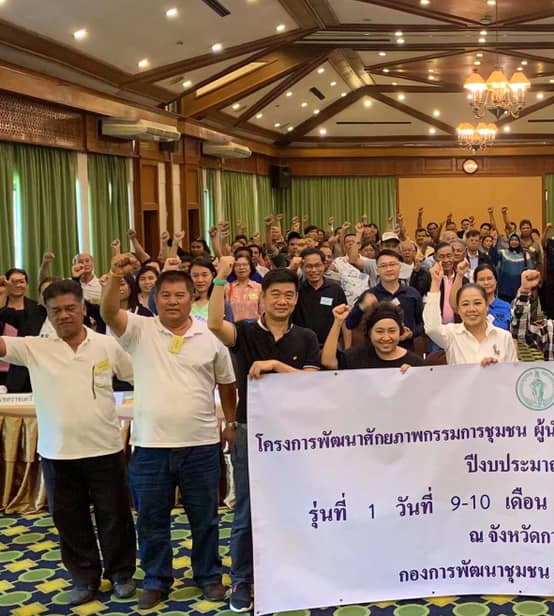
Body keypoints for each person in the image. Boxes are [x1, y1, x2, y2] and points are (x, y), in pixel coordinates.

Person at [101, 255, 237, 609]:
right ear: (154, 299)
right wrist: (115, 275)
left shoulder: (210, 335)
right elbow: (108, 312)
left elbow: (227, 383)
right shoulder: (139, 329)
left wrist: (230, 422)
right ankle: (156, 580)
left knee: (205, 520)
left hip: (201, 445)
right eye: (165, 295)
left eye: (180, 295)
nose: (172, 301)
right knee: (151, 521)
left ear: (193, 297)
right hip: (150, 446)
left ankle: (208, 576)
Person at [0, 279, 137, 605]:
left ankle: (121, 574)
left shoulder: (106, 344)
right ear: (47, 313)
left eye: (70, 308)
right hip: (57, 452)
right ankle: (84, 578)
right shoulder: (34, 347)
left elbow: (138, 375)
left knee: (115, 516)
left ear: (83, 308)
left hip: (105, 448)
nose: (64, 315)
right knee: (70, 520)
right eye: (56, 310)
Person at [208, 259, 321, 613]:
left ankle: (293, 571)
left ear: (296, 299)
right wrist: (219, 278)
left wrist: (275, 366)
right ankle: (242, 579)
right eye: (275, 294)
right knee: (247, 509)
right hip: (250, 431)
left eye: (289, 295)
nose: (282, 301)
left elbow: (311, 381)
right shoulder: (245, 332)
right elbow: (214, 324)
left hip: (294, 435)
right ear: (263, 298)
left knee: (295, 503)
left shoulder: (306, 337)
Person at [424, 264, 517, 365]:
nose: (471, 309)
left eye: (477, 303)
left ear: (487, 306)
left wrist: (495, 369)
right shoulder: (452, 335)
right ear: (458, 310)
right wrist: (435, 283)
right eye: (465, 304)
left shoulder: (504, 337)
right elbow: (432, 328)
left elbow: (512, 371)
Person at [344, 250, 424, 351]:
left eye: (392, 264)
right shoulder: (369, 295)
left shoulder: (412, 294)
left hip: (405, 351)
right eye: (383, 266)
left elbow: (423, 324)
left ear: (400, 267)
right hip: (374, 352)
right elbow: (349, 324)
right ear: (377, 270)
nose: (389, 269)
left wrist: (411, 333)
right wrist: (361, 307)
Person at [323, 302, 425, 370]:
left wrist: (413, 377)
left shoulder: (415, 363)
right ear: (370, 333)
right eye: (380, 331)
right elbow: (328, 362)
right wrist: (338, 322)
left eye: (392, 331)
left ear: (400, 332)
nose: (386, 338)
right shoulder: (356, 357)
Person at [0, 268, 47, 392]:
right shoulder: (1, 305)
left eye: (21, 281)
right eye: (14, 281)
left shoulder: (36, 309)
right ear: (6, 283)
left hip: (26, 369)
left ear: (27, 284)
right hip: (2, 366)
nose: (18, 285)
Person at [292, 248, 348, 348]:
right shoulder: (297, 291)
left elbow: (344, 321)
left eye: (318, 265)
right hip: (302, 345)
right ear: (302, 267)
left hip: (331, 344)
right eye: (309, 266)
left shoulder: (335, 289)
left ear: (324, 265)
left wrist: (347, 349)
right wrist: (292, 268)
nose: (314, 270)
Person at [471, 263, 512, 331]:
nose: (486, 282)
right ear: (475, 283)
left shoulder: (507, 307)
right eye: (481, 279)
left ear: (496, 281)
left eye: (489, 278)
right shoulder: (471, 307)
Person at [226, 254, 262, 322]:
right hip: (233, 326)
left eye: (245, 264)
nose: (241, 267)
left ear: (250, 267)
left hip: (254, 326)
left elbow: (263, 312)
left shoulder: (259, 288)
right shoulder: (227, 288)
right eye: (237, 265)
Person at [495, 233, 530, 303]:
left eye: (516, 240)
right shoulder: (502, 253)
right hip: (504, 290)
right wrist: (494, 243)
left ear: (519, 242)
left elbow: (530, 271)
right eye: (512, 240)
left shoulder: (525, 255)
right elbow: (493, 260)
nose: (514, 242)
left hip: (520, 290)